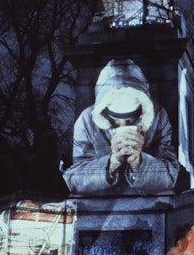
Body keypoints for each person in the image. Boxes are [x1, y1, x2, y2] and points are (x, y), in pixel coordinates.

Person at [63, 59, 179, 195]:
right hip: (100, 206)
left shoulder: (157, 116)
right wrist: (111, 163)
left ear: (141, 111)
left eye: (130, 120)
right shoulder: (87, 120)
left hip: (148, 203)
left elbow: (170, 175)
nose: (123, 125)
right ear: (104, 112)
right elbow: (74, 178)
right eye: (116, 121)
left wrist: (140, 163)